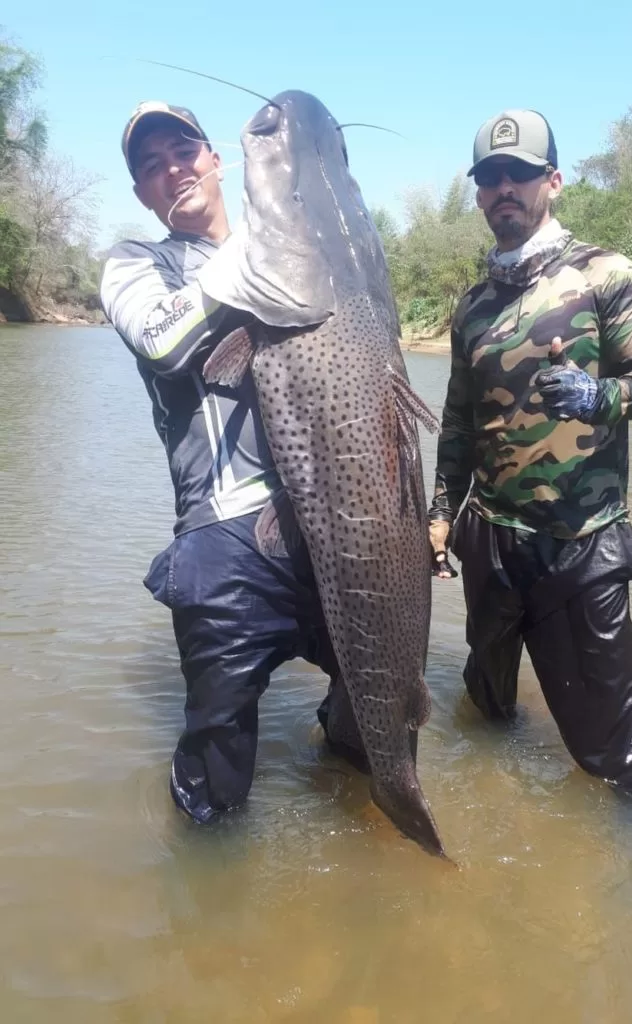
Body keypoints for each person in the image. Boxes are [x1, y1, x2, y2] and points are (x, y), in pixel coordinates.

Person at [100, 101, 363, 824]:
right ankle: (210, 910)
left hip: (330, 524)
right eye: (149, 166)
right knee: (216, 782)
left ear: (215, 159)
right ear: (141, 194)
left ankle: (360, 781)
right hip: (223, 537)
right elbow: (163, 343)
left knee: (374, 721)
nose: (170, 169)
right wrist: (266, 251)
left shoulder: (290, 243)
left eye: (181, 151)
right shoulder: (136, 264)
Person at [428, 108, 632, 796]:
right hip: (493, 545)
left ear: (554, 181)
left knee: (615, 765)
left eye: (521, 174)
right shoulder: (473, 304)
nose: (504, 187)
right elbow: (457, 419)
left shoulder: (605, 274)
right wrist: (440, 514)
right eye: (490, 177)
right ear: (478, 193)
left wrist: (602, 396)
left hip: (581, 545)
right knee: (486, 716)